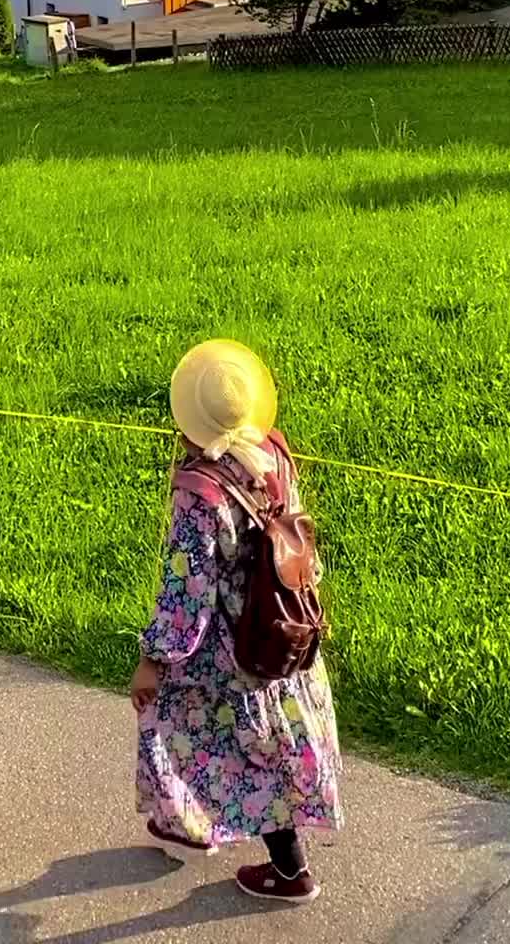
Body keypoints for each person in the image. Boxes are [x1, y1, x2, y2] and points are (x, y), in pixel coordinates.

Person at [132, 339, 342, 904]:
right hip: (281, 629)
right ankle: (198, 826)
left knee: (180, 716)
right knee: (271, 742)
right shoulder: (274, 453)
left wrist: (153, 658)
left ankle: (282, 866)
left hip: (232, 646)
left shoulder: (199, 492)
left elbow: (187, 590)